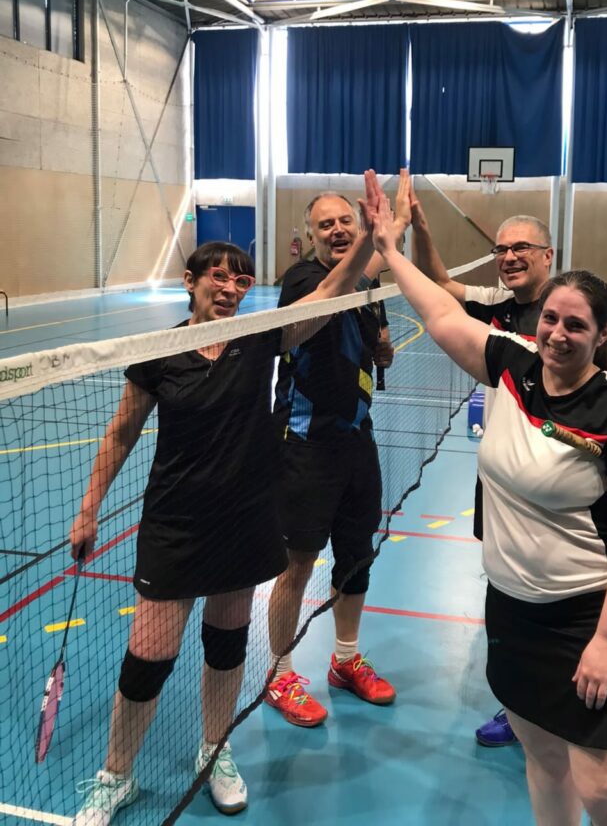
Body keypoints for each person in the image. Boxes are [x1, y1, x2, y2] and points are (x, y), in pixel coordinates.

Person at [69, 193, 383, 825]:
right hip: (176, 522)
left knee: (226, 645)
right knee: (148, 657)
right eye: (218, 275)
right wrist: (88, 509)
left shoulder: (259, 338)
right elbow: (122, 432)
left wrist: (372, 239)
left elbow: (328, 295)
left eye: (241, 280)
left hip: (245, 518)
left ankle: (214, 751)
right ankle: (115, 775)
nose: (231, 287)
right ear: (190, 281)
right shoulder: (159, 350)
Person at [372, 193, 607, 826]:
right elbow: (441, 312)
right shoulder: (513, 365)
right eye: (551, 320)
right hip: (513, 613)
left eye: (576, 326)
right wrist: (389, 253)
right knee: (544, 762)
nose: (558, 334)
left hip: (590, 620)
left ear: (603, 334)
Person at [265, 171, 411, 727]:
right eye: (325, 225)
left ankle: (345, 659)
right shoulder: (302, 280)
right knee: (298, 563)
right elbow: (331, 295)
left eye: (345, 221)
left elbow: (367, 325)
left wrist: (381, 350)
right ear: (310, 236)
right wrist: (375, 238)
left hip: (357, 440)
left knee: (356, 555)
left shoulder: (365, 285)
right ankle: (280, 673)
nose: (337, 230)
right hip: (306, 447)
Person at [410, 185, 553, 746]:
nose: (509, 256)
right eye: (501, 249)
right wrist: (421, 229)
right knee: (504, 585)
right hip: (498, 474)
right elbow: (438, 285)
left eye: (521, 248)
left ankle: (550, 702)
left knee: (548, 591)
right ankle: (519, 704)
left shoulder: (566, 311)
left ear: (548, 255)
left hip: (551, 481)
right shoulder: (499, 305)